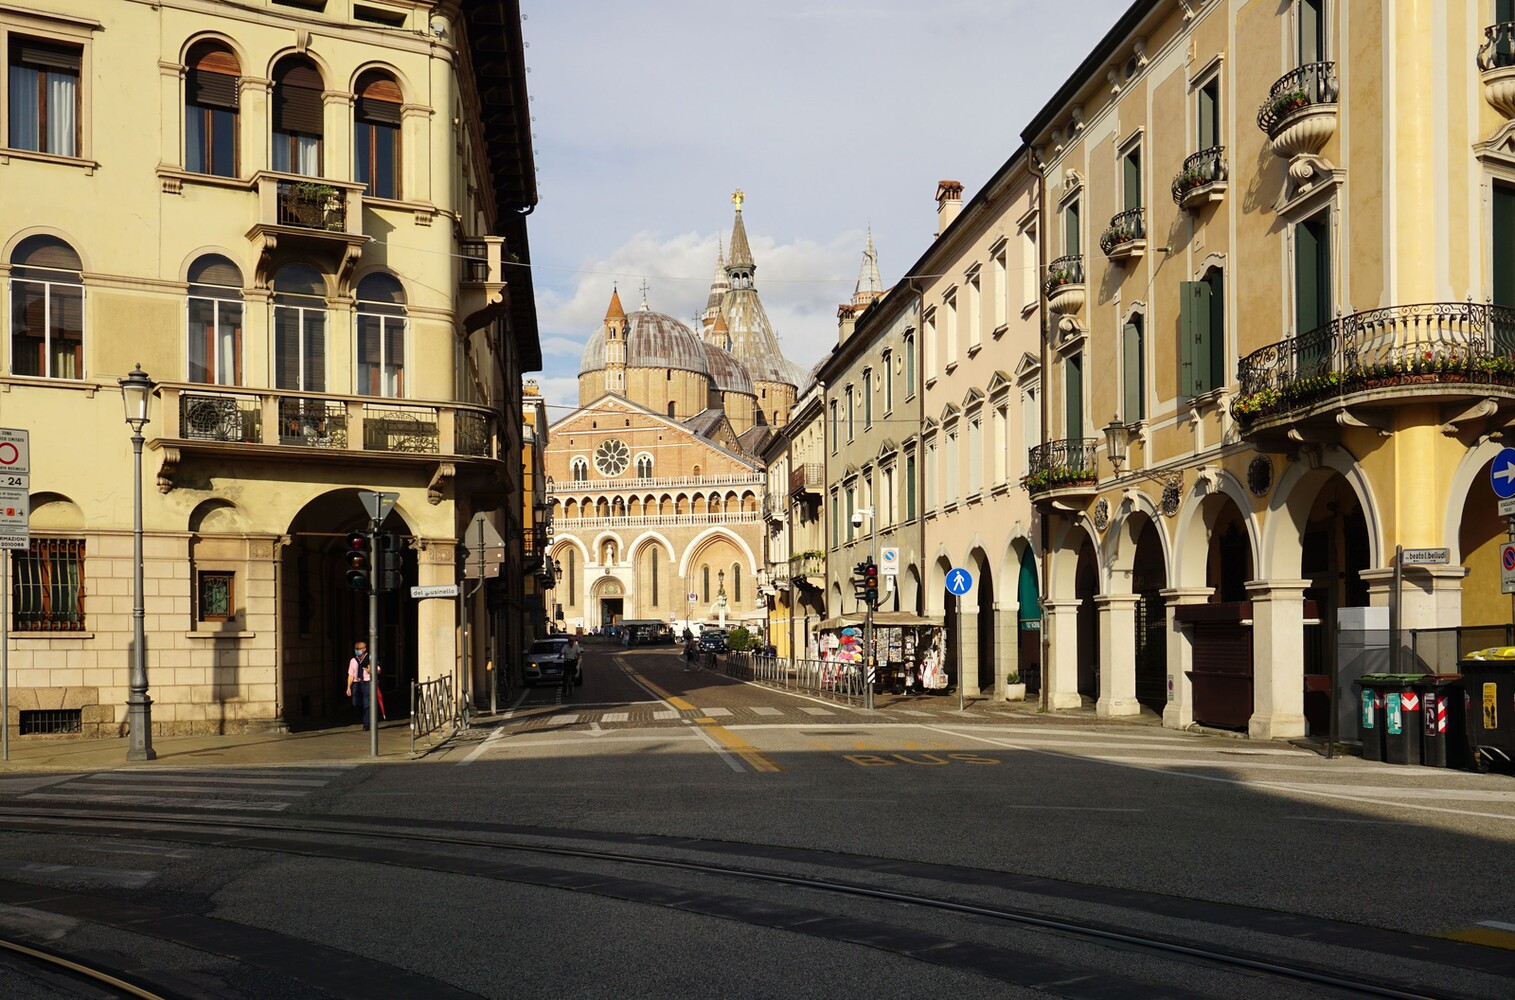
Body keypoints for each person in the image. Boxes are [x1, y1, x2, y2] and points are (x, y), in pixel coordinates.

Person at [346, 640, 377, 730]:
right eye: (356, 649)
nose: (357, 650)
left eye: (359, 649)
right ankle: (362, 715)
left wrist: (370, 671)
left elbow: (378, 669)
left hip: (367, 682)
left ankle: (366, 723)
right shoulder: (353, 661)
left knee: (367, 704)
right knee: (356, 703)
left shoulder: (370, 658)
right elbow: (350, 674)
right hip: (356, 683)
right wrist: (348, 687)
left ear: (364, 649)